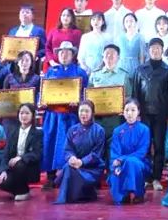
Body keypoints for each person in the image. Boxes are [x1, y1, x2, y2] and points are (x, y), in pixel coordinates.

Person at [41, 41, 90, 190]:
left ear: (73, 54)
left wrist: (79, 101)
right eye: (61, 52)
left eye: (68, 52)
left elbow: (86, 93)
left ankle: (69, 176)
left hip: (71, 116)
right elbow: (43, 92)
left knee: (70, 145)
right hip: (53, 116)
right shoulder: (51, 71)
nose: (64, 54)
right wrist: (42, 101)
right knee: (50, 143)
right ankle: (50, 177)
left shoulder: (80, 72)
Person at [132, 37, 168, 191]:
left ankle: (156, 178)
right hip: (144, 114)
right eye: (152, 48)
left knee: (159, 146)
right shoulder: (140, 69)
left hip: (161, 114)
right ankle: (146, 177)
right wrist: (136, 112)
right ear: (148, 51)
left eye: (158, 48)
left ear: (162, 50)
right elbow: (135, 93)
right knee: (145, 146)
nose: (155, 50)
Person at [54, 100, 106, 204]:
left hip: (92, 167)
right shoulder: (72, 130)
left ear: (92, 113)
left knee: (69, 170)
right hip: (76, 165)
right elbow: (68, 149)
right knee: (69, 167)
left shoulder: (99, 130)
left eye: (87, 111)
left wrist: (82, 162)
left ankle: (68, 197)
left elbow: (97, 154)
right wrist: (71, 158)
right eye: (81, 111)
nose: (83, 114)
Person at [108, 98, 151, 205]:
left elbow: (142, 152)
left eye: (133, 110)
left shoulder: (144, 129)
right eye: (127, 110)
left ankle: (137, 193)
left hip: (139, 162)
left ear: (138, 112)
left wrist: (122, 159)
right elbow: (115, 151)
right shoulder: (117, 131)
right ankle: (123, 194)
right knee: (117, 171)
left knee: (131, 163)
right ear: (123, 112)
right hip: (119, 163)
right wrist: (118, 162)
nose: (129, 113)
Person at [0, 103, 42, 201]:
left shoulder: (38, 133)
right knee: (1, 182)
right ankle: (21, 191)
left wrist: (21, 158)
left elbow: (37, 154)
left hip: (28, 167)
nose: (24, 116)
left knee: (19, 164)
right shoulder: (13, 131)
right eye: (21, 113)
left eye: (27, 113)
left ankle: (23, 191)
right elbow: (6, 154)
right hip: (13, 167)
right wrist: (3, 171)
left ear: (32, 115)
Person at [88, 44, 128, 160]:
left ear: (118, 57)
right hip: (98, 117)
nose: (109, 57)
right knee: (97, 145)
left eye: (113, 54)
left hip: (116, 118)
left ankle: (112, 169)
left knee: (114, 146)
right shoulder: (94, 74)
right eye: (107, 54)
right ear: (103, 57)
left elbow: (129, 96)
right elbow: (88, 96)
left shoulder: (124, 75)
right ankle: (97, 169)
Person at [1, 51, 41, 134]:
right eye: (22, 60)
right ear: (17, 62)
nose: (24, 63)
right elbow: (3, 97)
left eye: (27, 60)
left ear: (31, 63)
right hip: (11, 116)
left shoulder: (37, 79)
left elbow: (40, 97)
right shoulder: (9, 78)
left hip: (29, 115)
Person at [44, 8, 83, 74]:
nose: (65, 17)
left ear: (72, 18)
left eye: (68, 15)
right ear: (60, 17)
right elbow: (47, 48)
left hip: (70, 66)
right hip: (53, 64)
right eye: (63, 15)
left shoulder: (77, 33)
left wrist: (69, 64)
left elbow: (78, 50)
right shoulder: (53, 31)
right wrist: (51, 61)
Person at [117, 13, 145, 79]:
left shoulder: (140, 37)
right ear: (124, 24)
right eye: (126, 21)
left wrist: (141, 70)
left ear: (135, 23)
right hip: (121, 65)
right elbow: (117, 55)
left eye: (131, 21)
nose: (129, 23)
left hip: (135, 65)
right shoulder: (119, 38)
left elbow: (142, 56)